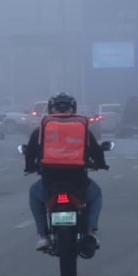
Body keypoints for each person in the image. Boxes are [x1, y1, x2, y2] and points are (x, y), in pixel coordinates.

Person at [23, 92, 109, 252]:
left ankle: (43, 235)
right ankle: (90, 231)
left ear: (50, 109)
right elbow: (96, 151)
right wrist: (101, 164)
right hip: (78, 182)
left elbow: (31, 153)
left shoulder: (42, 129)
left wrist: (29, 167)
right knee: (96, 194)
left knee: (34, 194)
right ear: (73, 109)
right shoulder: (82, 129)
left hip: (49, 182)